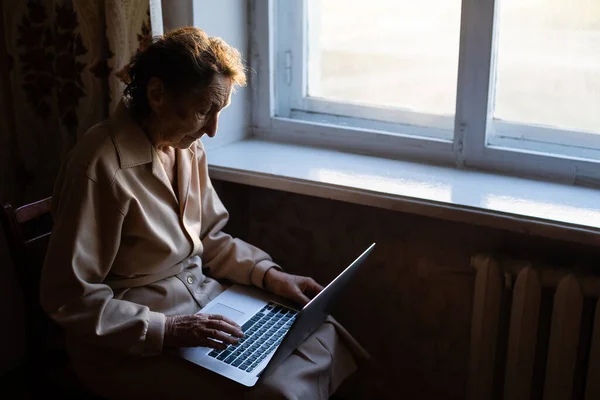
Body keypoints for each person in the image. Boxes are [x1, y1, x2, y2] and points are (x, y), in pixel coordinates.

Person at [40, 27, 367, 399]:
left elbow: (209, 237)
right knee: (276, 393)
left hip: (205, 305)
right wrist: (168, 329)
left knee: (323, 332)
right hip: (127, 344)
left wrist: (271, 276)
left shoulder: (185, 149)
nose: (211, 130)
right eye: (203, 111)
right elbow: (69, 296)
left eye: (219, 113)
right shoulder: (99, 167)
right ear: (157, 94)